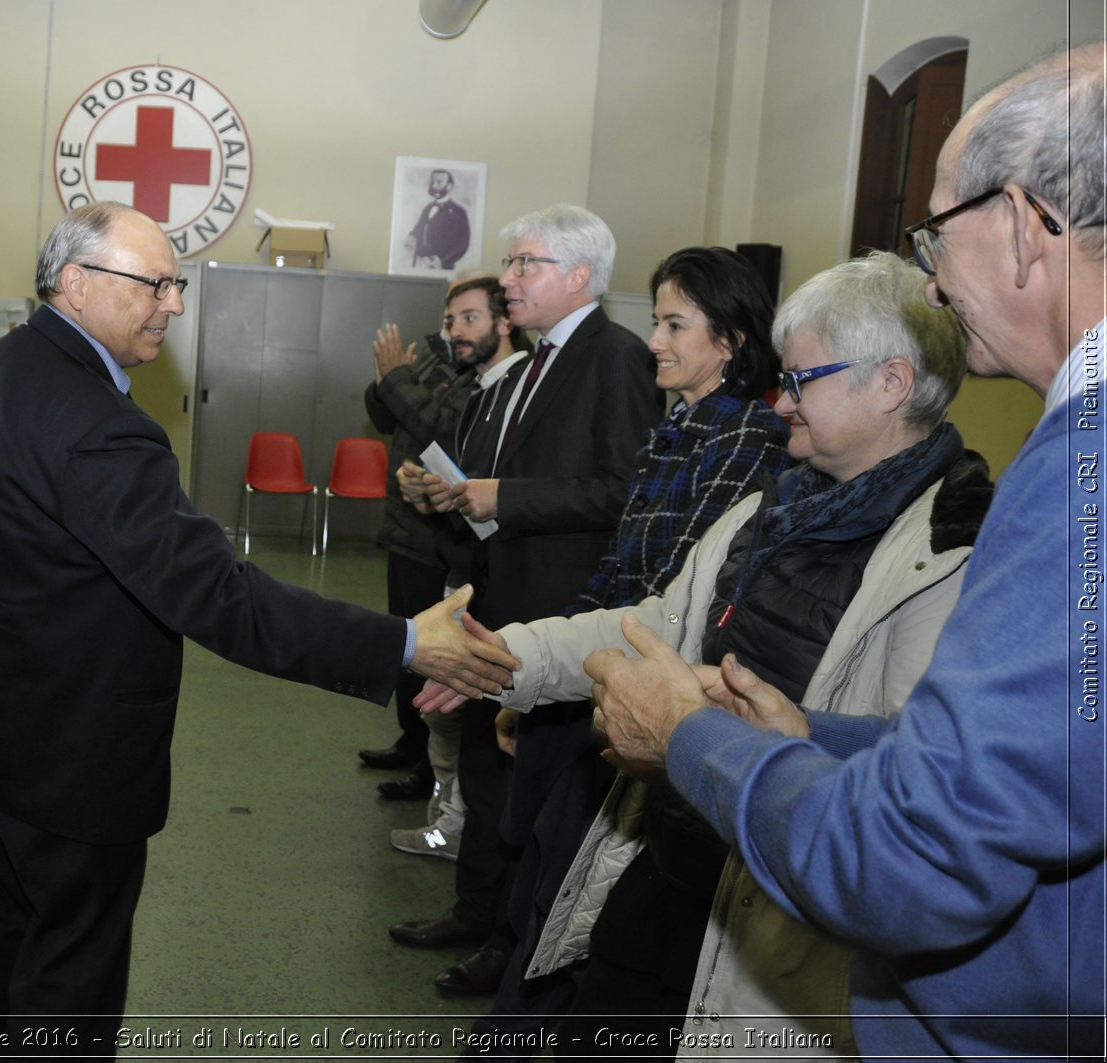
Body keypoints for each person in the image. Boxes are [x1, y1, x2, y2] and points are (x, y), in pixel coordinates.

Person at [569, 44, 1105, 1060]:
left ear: (1028, 226)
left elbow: (911, 859)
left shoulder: (1079, 473)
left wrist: (692, 736)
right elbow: (1030, 774)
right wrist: (808, 737)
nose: (932, 276)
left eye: (937, 232)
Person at [0, 200, 519, 1054]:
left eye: (175, 284)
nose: (174, 305)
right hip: (67, 758)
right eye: (154, 284)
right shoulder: (103, 428)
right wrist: (407, 642)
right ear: (75, 283)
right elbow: (224, 598)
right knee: (69, 980)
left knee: (16, 952)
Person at [435, 249, 989, 1054]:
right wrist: (503, 656)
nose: (782, 403)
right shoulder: (776, 505)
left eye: (802, 380)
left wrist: (726, 734)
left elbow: (909, 776)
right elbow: (658, 619)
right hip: (678, 861)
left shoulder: (952, 551)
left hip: (784, 921)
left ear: (890, 384)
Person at [458, 245, 792, 1050]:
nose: (656, 341)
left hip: (643, 685)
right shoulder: (677, 426)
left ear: (731, 342)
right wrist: (535, 673)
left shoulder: (744, 438)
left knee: (572, 886)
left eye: (677, 324)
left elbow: (677, 589)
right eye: (657, 321)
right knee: (544, 863)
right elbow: (618, 564)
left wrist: (570, 668)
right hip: (604, 667)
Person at [390, 203, 661, 997]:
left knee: (529, 785)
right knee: (483, 759)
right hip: (502, 596)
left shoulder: (614, 361)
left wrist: (500, 492)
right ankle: (475, 910)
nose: (507, 280)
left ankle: (512, 942)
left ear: (579, 275)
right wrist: (459, 492)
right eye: (509, 264)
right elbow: (504, 471)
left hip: (561, 606)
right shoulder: (533, 364)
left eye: (524, 264)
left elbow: (620, 491)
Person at [366, 276, 527, 854]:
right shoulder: (467, 372)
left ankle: (456, 818)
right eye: (451, 319)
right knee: (433, 685)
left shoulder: (504, 384)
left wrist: (398, 379)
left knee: (458, 697)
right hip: (447, 549)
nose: (455, 331)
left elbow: (443, 429)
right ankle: (446, 805)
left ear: (504, 322)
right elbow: (393, 414)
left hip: (469, 559)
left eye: (469, 319)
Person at [408, 169, 471, 269]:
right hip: (420, 263)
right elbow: (419, 228)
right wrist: (412, 236)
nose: (434, 186)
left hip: (442, 267)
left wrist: (442, 260)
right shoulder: (428, 208)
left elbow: (462, 244)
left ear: (449, 186)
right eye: (433, 182)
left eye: (439, 182)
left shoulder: (458, 211)